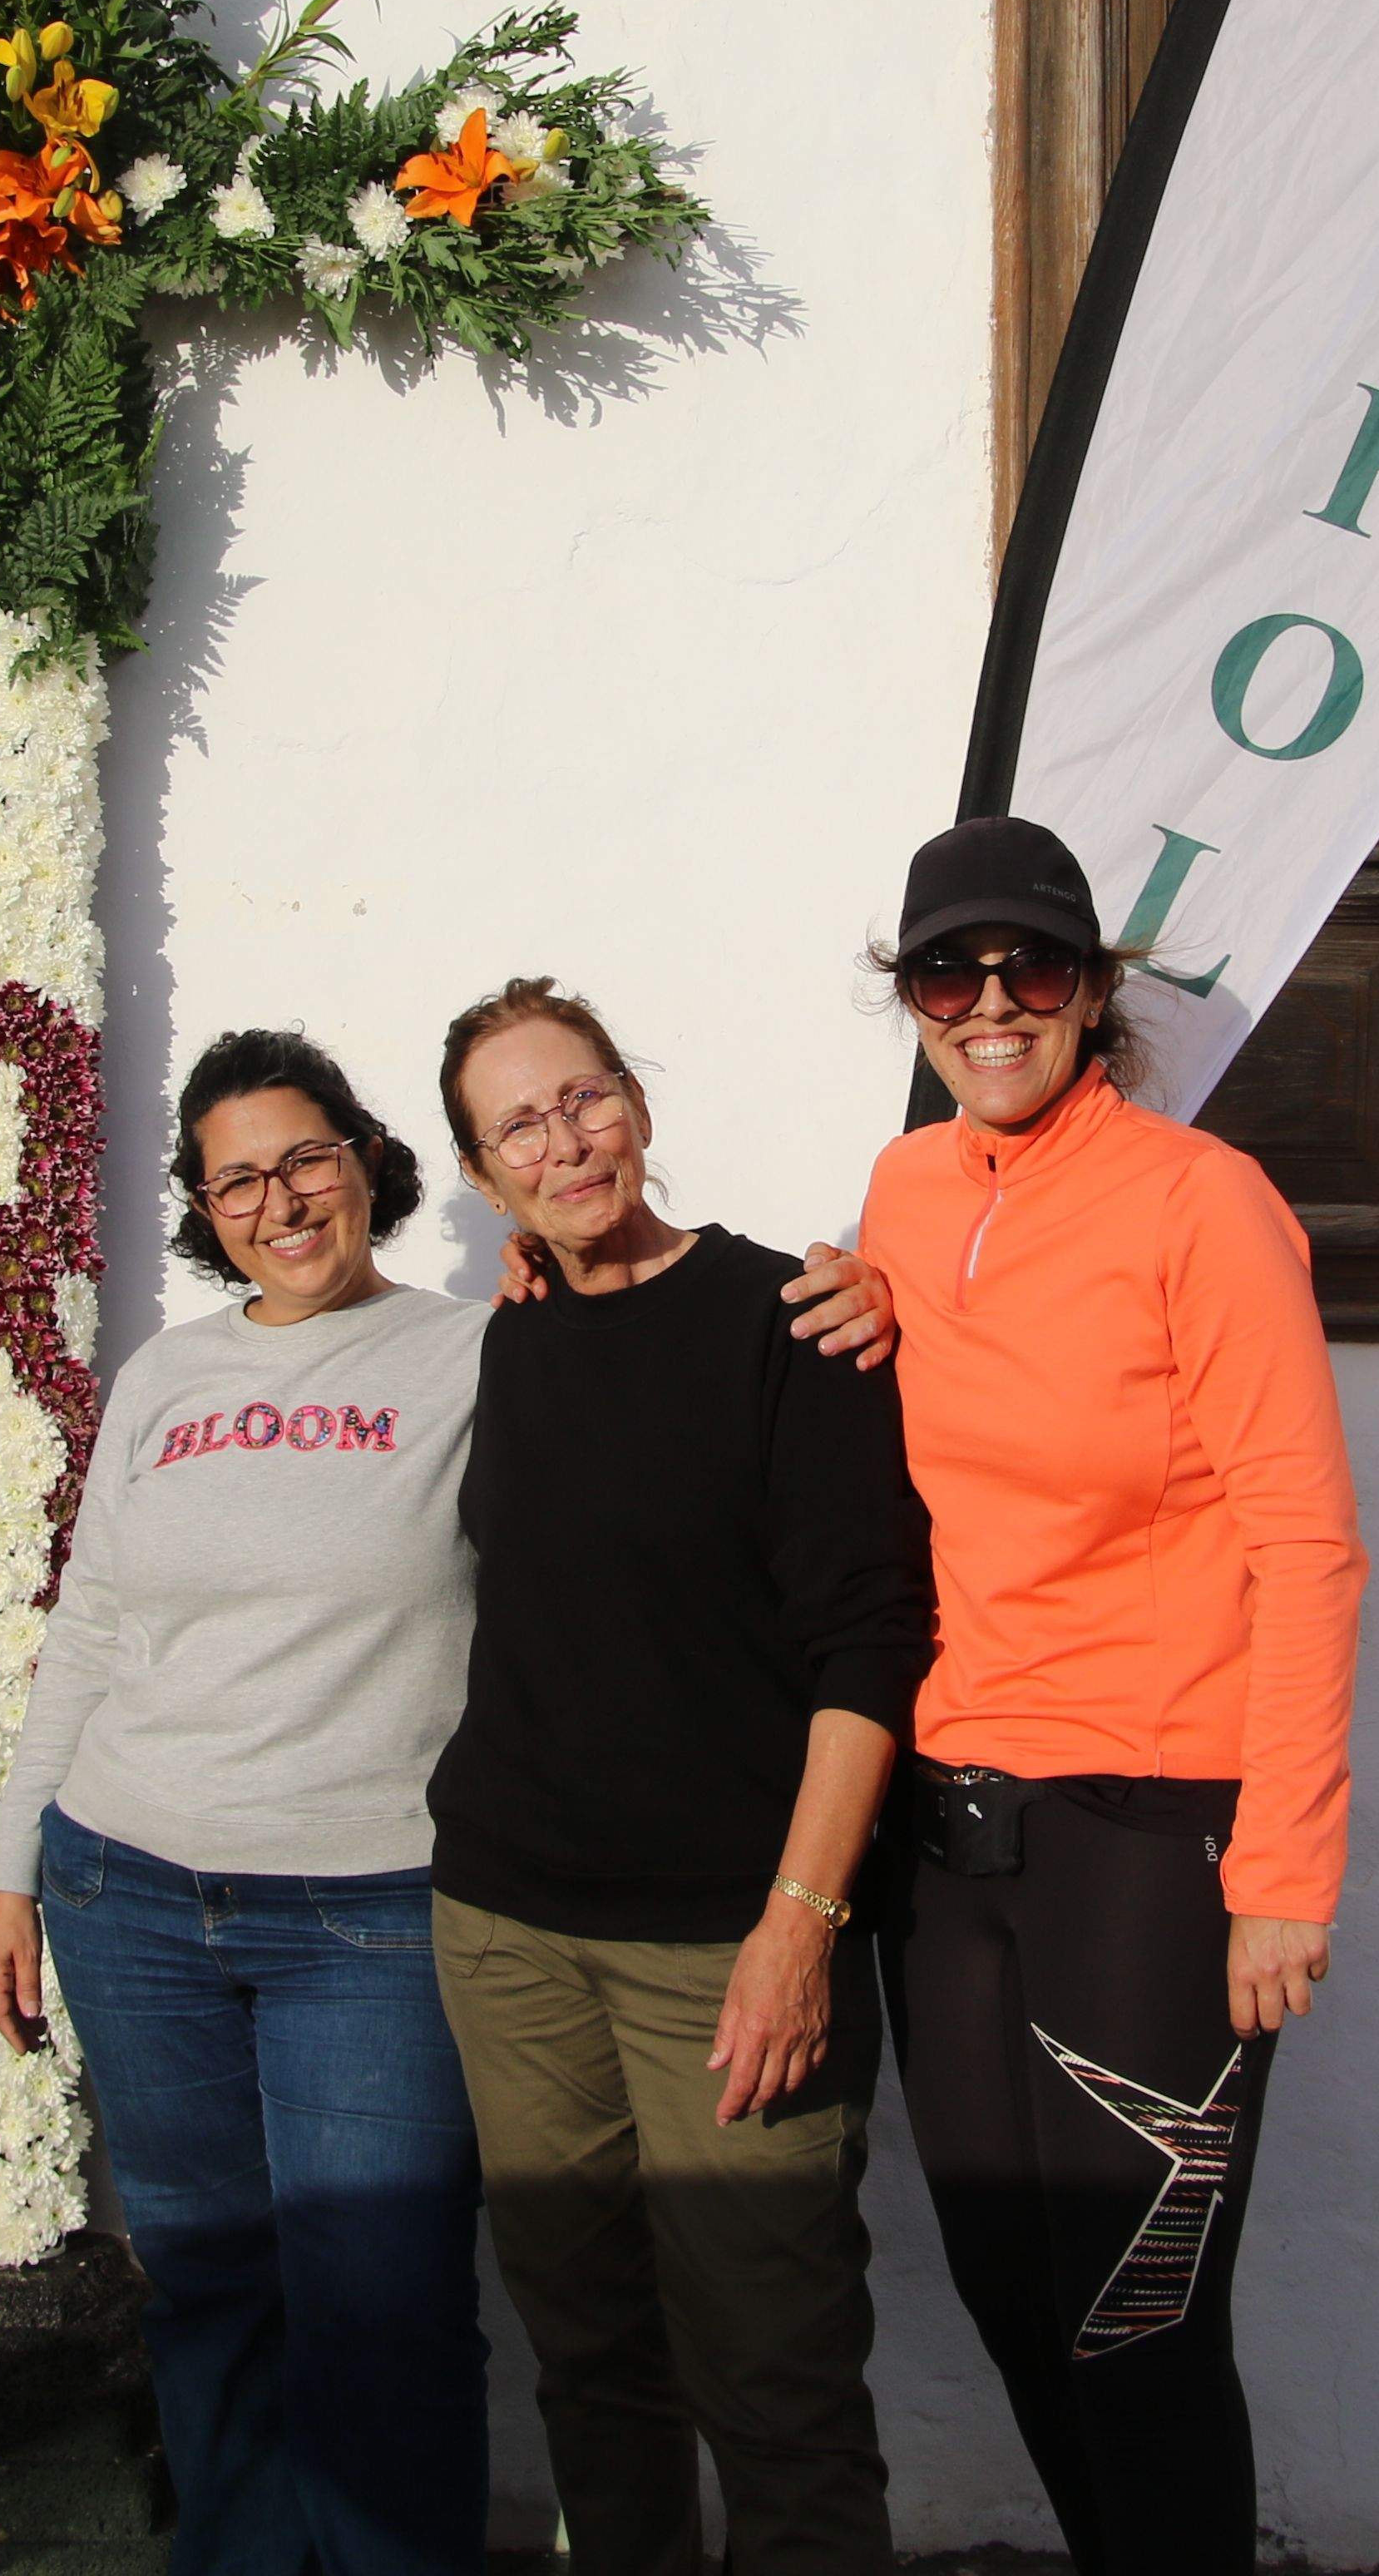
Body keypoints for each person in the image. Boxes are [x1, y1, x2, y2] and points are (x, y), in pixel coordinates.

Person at [849, 818, 1369, 2576]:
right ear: (911, 997)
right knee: (1010, 2304)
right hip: (948, 1838)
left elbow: (1309, 1548)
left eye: (1032, 970)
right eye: (949, 971)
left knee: (1136, 2322)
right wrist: (575, 1268)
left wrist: (1283, 1868)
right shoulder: (910, 1192)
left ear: (1095, 994)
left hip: (1152, 1836)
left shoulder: (1199, 1204)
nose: (989, 1005)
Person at [0, 1028, 494, 2576]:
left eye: (307, 1157)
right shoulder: (166, 1375)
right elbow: (92, 1624)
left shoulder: (477, 1354)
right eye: (239, 1178)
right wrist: (14, 1868)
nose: (280, 1199)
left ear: (369, 1160)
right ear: (207, 1209)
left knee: (384, 2306)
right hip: (130, 1897)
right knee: (208, 2291)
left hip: (375, 1913)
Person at [424, 980, 929, 2576]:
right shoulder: (507, 1342)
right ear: (484, 1176)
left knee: (774, 2385)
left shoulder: (793, 1322)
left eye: (583, 1098)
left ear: (635, 1099)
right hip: (510, 1936)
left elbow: (870, 1651)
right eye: (518, 1126)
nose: (564, 1143)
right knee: (591, 2370)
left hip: (730, 1947)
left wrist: (800, 1930)